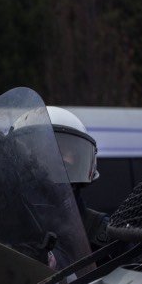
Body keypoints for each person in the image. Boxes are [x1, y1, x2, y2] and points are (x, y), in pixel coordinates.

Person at [47, 106, 109, 251]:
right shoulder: (4, 224)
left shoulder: (98, 230)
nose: (59, 159)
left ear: (79, 160)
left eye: (66, 152)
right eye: (48, 150)